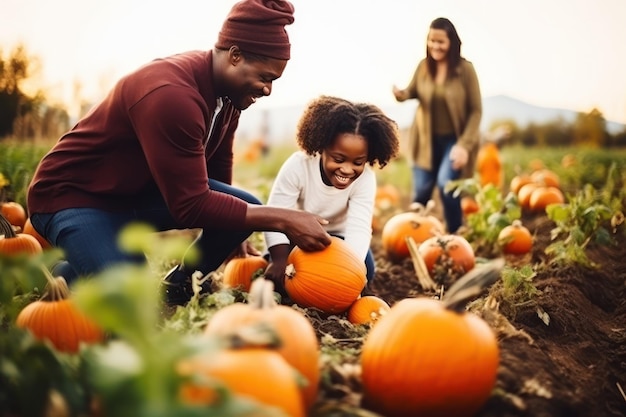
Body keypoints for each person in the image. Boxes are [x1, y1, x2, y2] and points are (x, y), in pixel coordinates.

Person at [26, 0, 332, 306]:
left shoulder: (229, 95)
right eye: (266, 78)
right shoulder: (172, 96)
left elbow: (217, 163)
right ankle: (68, 272)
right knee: (134, 299)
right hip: (73, 197)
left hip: (134, 193)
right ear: (235, 55)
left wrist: (231, 229)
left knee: (244, 205)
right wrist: (284, 219)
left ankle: (180, 285)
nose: (268, 90)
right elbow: (191, 205)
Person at [263, 95, 400, 294]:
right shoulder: (299, 166)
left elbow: (359, 228)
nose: (347, 169)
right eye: (339, 159)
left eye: (357, 162)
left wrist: (350, 270)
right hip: (298, 235)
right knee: (282, 275)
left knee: (367, 270)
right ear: (322, 147)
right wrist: (279, 260)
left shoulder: (366, 179)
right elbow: (276, 213)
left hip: (338, 238)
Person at [392, 17, 482, 233]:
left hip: (454, 140)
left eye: (440, 41)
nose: (435, 46)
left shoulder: (465, 70)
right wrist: (401, 94)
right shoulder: (424, 67)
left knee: (446, 184)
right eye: (431, 40)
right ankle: (412, 239)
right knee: (421, 192)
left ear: (452, 42)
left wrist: (464, 145)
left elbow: (476, 111)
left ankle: (455, 233)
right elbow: (412, 91)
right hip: (425, 140)